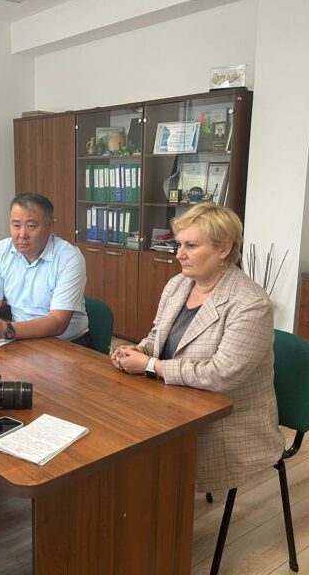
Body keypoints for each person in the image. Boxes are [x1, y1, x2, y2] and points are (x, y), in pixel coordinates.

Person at [110, 203, 284, 492]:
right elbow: (157, 335)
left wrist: (151, 366)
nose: (179, 254)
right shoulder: (178, 284)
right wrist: (140, 350)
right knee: (114, 433)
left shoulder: (250, 304)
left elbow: (221, 375)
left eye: (190, 246)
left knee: (136, 462)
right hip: (171, 401)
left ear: (223, 249)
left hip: (222, 424)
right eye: (179, 244)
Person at [0, 193, 90, 346]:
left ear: (50, 226)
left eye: (31, 226)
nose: (22, 234)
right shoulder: (1, 251)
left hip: (66, 344)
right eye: (16, 225)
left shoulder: (69, 258)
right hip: (19, 338)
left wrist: (5, 330)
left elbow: (58, 322)